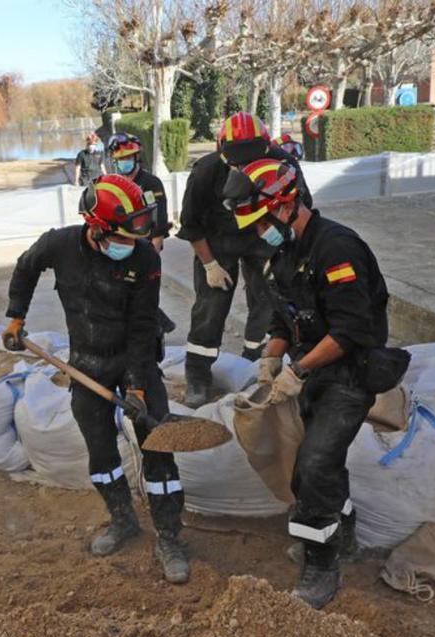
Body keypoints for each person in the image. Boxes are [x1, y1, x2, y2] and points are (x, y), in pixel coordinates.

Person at [1, 174, 189, 584]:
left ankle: (170, 536)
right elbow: (26, 267)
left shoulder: (144, 259)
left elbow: (143, 325)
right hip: (86, 363)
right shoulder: (60, 245)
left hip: (133, 357)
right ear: (96, 229)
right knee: (101, 454)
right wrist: (17, 316)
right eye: (122, 235)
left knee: (157, 446)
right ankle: (122, 519)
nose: (132, 243)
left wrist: (139, 384)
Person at [223, 157, 391, 610]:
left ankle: (321, 565)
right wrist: (271, 358)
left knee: (313, 465)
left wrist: (298, 371)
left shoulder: (337, 250)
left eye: (261, 223)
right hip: (312, 374)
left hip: (350, 375)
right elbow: (285, 318)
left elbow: (351, 330)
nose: (259, 234)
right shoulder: (284, 254)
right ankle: (345, 532)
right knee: (322, 460)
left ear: (285, 204)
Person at [177, 112, 310, 407]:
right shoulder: (206, 171)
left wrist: (282, 238)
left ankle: (255, 360)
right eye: (237, 163)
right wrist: (210, 264)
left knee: (267, 300)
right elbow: (191, 224)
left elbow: (301, 207)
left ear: (266, 147)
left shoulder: (283, 164)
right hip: (218, 240)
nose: (244, 168)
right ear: (221, 150)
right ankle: (197, 374)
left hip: (262, 237)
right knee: (210, 306)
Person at [107, 132, 177, 357]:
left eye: (128, 158)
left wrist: (154, 250)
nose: (124, 163)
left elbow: (159, 219)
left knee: (143, 296)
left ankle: (155, 338)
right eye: (120, 159)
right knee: (120, 296)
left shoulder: (151, 184)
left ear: (137, 158)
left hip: (145, 247)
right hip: (119, 247)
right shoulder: (111, 185)